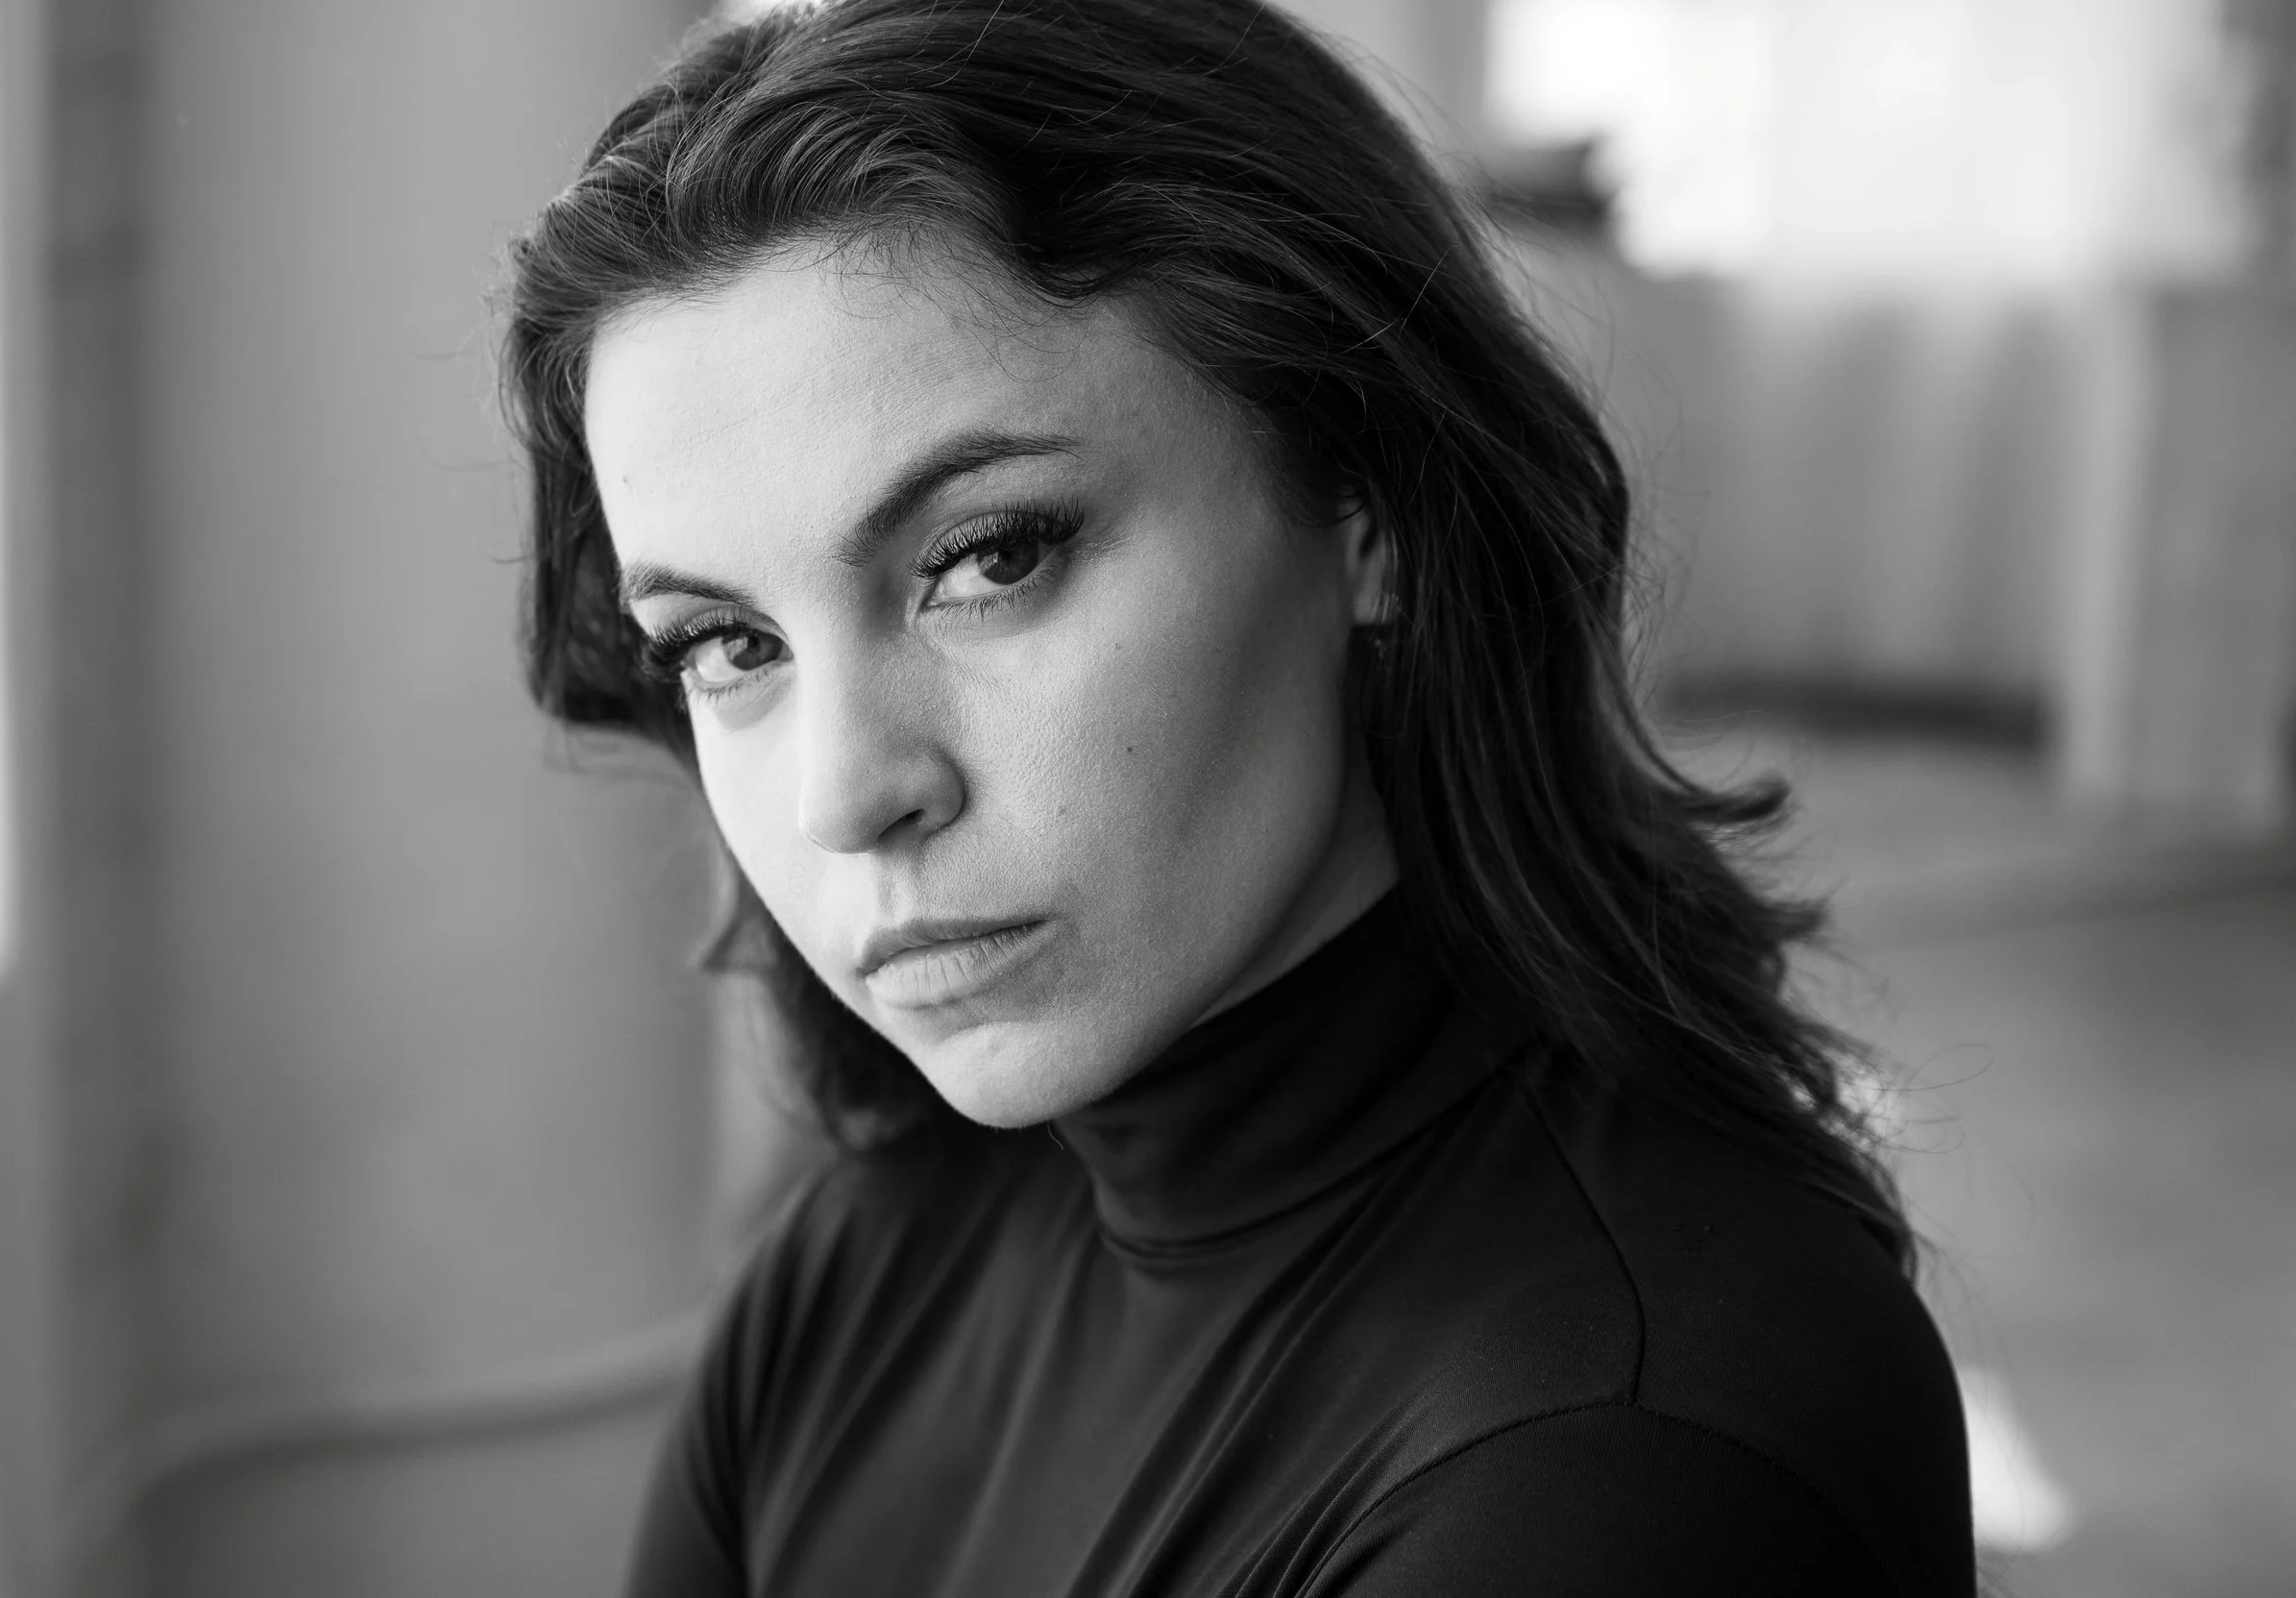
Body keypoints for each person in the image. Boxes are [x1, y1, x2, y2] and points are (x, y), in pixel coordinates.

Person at [500, 1, 1974, 1591]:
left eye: (989, 558)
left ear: (1370, 511)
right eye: (727, 643)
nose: (845, 792)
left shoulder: (1620, 1460)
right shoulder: (857, 1267)